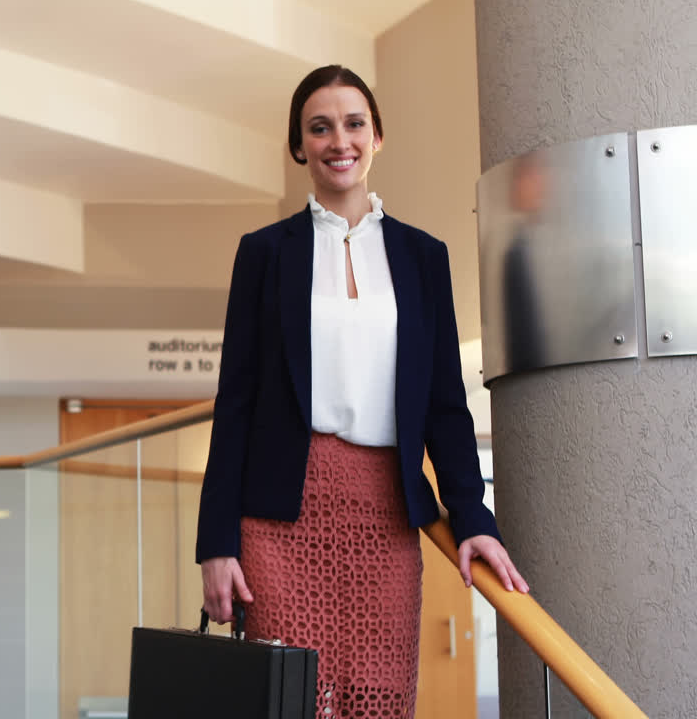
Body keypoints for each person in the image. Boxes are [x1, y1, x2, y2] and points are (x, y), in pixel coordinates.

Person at [196, 65, 528, 718]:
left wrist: (473, 518)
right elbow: (235, 403)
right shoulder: (264, 253)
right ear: (299, 145)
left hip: (384, 514)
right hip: (277, 520)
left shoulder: (422, 256)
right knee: (296, 702)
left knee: (378, 697)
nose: (337, 140)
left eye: (353, 124)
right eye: (319, 128)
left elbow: (444, 405)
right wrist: (216, 543)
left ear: (378, 137)